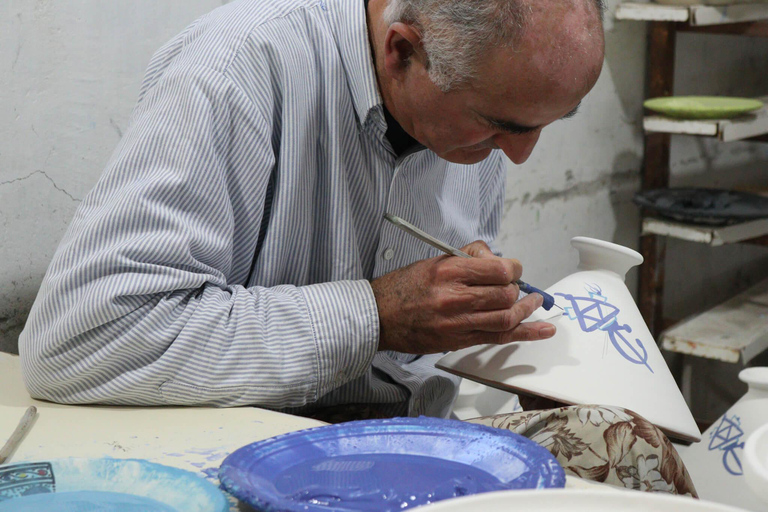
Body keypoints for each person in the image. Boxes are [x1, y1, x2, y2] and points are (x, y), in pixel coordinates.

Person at [18, 0, 697, 495]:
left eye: (549, 123)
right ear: (401, 50)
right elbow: (80, 339)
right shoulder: (240, 65)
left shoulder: (471, 111)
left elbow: (424, 374)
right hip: (243, 450)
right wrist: (373, 315)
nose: (519, 156)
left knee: (631, 451)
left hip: (400, 446)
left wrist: (503, 350)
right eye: (502, 126)